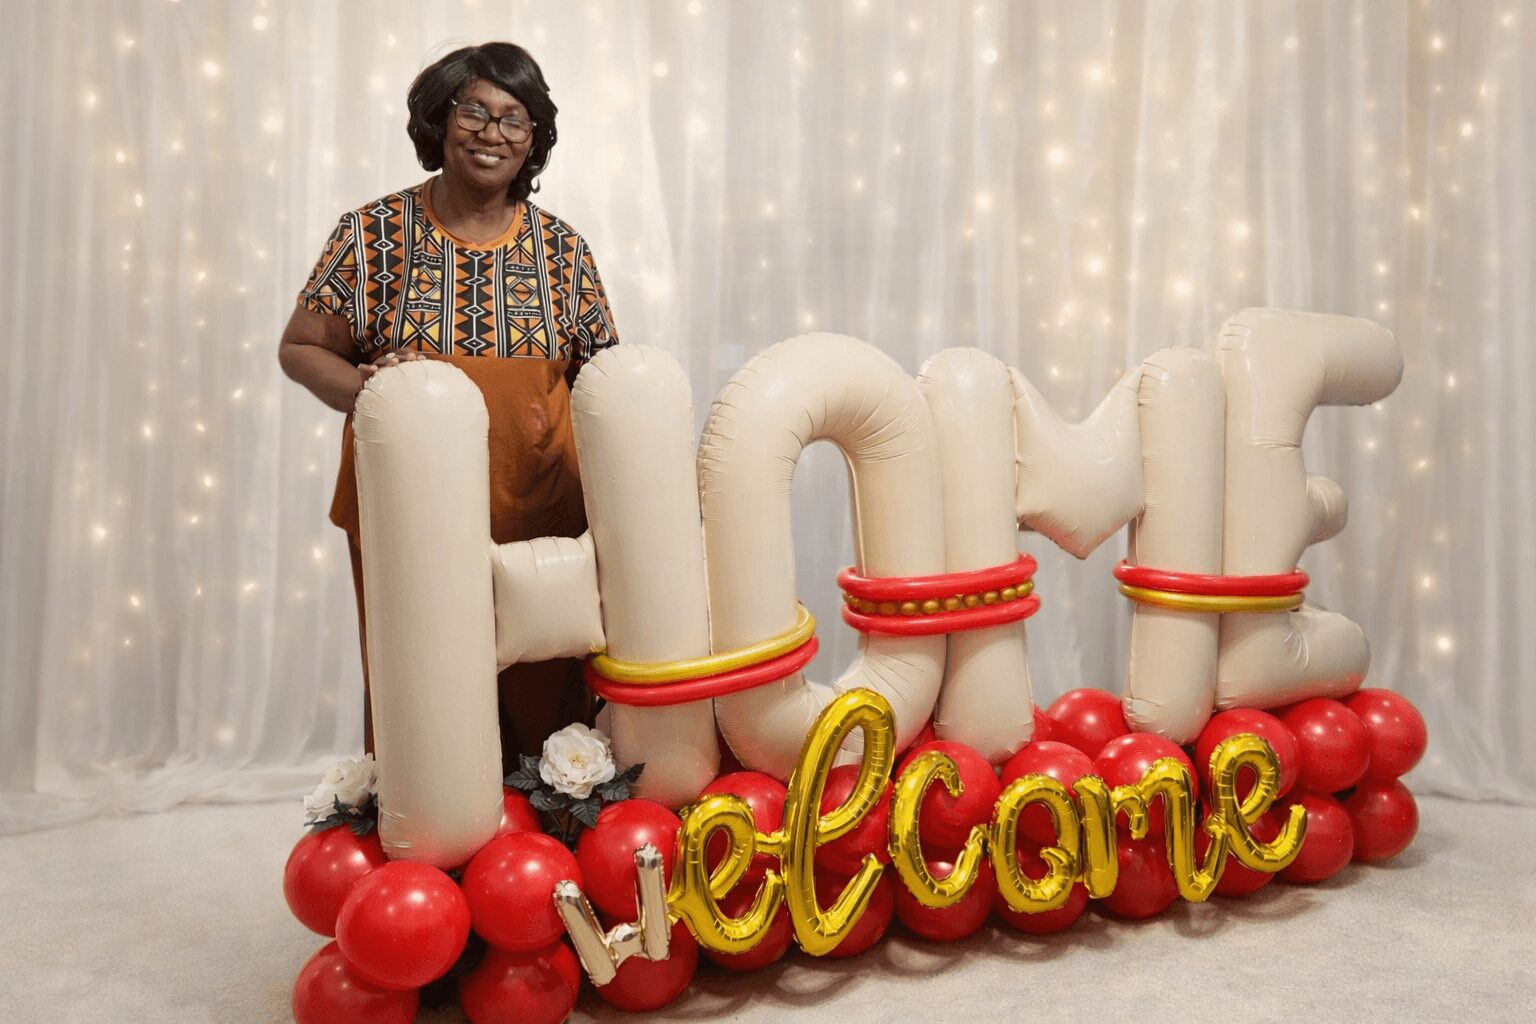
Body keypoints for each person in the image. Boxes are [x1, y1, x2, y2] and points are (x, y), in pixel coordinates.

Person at [278, 42, 618, 766]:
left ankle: (548, 848)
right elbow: (301, 348)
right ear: (439, 119)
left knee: (547, 703)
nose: (492, 134)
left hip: (541, 514)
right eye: (474, 112)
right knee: (425, 692)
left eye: (513, 120)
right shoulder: (373, 236)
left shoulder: (563, 252)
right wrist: (368, 388)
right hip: (410, 511)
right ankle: (430, 846)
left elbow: (604, 382)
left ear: (534, 141)